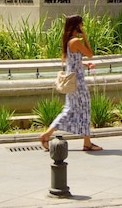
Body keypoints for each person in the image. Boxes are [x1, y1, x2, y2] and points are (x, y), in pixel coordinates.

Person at [40, 14, 102, 152]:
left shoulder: (68, 41)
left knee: (70, 109)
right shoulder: (76, 41)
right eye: (81, 24)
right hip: (78, 83)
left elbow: (73, 62)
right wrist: (85, 36)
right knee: (85, 109)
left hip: (72, 82)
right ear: (77, 26)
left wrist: (85, 64)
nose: (83, 26)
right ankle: (86, 143)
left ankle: (47, 134)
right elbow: (90, 53)